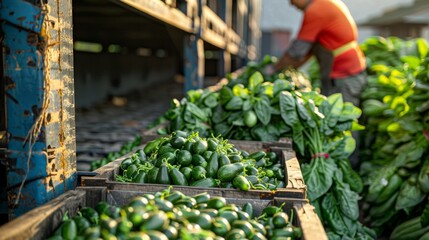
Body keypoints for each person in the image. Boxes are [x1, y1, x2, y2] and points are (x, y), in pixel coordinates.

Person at [266, 0, 367, 107]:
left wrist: (273, 69)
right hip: (343, 74)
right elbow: (305, 53)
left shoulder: (316, 9)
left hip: (345, 77)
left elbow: (297, 52)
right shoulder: (324, 4)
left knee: (342, 116)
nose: (291, 4)